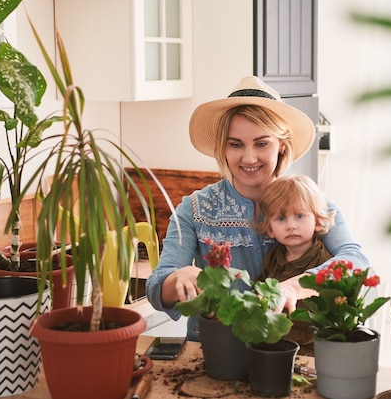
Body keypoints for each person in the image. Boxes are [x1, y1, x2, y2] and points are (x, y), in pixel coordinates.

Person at [145, 75, 370, 340]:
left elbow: (356, 261)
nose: (249, 157)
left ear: (281, 146)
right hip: (215, 353)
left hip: (290, 356)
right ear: (223, 148)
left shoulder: (311, 204)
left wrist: (294, 288)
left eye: (262, 143)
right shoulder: (194, 209)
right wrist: (176, 279)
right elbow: (156, 288)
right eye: (236, 144)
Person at [253, 174, 336, 355]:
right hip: (274, 345)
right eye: (281, 219)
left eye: (299, 216)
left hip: (313, 349)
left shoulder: (324, 261)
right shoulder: (273, 258)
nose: (291, 225)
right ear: (270, 229)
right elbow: (260, 290)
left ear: (318, 221)